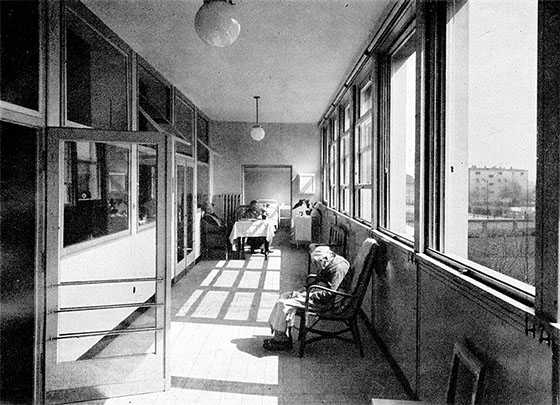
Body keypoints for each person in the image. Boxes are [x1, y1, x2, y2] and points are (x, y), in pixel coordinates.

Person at [263, 248, 350, 351]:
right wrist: (305, 288)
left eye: (317, 264)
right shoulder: (330, 262)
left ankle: (281, 341)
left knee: (284, 304)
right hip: (320, 294)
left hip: (328, 302)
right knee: (284, 295)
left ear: (325, 258)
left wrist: (308, 295)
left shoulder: (338, 268)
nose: (316, 267)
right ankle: (279, 334)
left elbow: (330, 293)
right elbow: (320, 280)